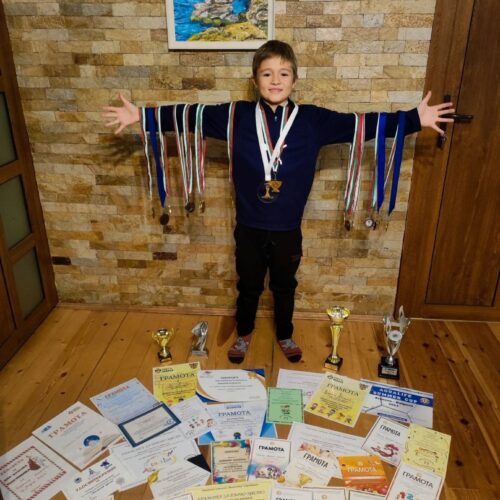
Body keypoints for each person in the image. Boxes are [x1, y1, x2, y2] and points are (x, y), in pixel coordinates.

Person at [103, 40, 454, 364]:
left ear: (295, 80)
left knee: (285, 286)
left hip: (288, 228)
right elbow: (188, 115)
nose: (275, 81)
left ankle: (284, 334)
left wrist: (414, 119)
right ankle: (244, 333)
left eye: (283, 74)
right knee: (249, 285)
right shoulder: (235, 116)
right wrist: (141, 117)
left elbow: (361, 124)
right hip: (249, 226)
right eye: (267, 73)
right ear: (254, 80)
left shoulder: (314, 121)